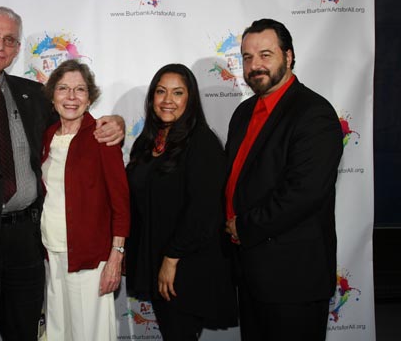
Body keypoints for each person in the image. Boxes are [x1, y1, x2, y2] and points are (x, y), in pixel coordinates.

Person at [0, 6, 124, 341]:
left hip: (28, 243)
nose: (0, 45)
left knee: (27, 333)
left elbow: (73, 126)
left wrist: (116, 122)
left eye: (10, 40)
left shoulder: (34, 95)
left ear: (17, 49)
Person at [224, 18, 343, 341]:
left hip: (293, 278)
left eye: (265, 55)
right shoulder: (244, 113)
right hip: (250, 272)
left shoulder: (313, 113)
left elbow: (304, 193)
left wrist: (244, 226)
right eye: (247, 57)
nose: (255, 66)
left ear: (288, 56)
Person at [126, 63, 237, 340]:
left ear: (190, 99)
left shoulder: (202, 143)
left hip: (185, 265)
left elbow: (204, 211)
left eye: (177, 93)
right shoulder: (146, 143)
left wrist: (171, 258)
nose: (168, 100)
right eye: (161, 91)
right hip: (156, 259)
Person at [40, 60, 130, 340]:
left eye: (80, 89)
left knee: (89, 334)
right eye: (63, 88)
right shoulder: (48, 136)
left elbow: (121, 203)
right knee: (58, 332)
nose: (71, 96)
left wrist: (116, 256)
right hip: (52, 252)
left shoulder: (101, 135)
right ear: (52, 96)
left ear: (90, 98)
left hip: (89, 258)